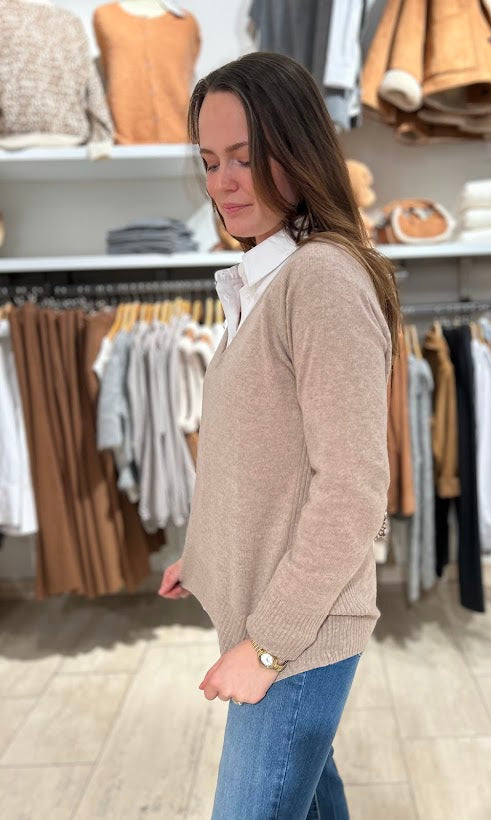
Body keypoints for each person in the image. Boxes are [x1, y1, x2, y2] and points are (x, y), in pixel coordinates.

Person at [158, 51, 402, 819]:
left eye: (245, 157)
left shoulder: (319, 281)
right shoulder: (265, 281)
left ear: (296, 152)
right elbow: (262, 458)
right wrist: (206, 554)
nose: (222, 182)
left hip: (298, 636)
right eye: (209, 161)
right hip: (280, 619)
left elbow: (352, 491)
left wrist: (265, 646)